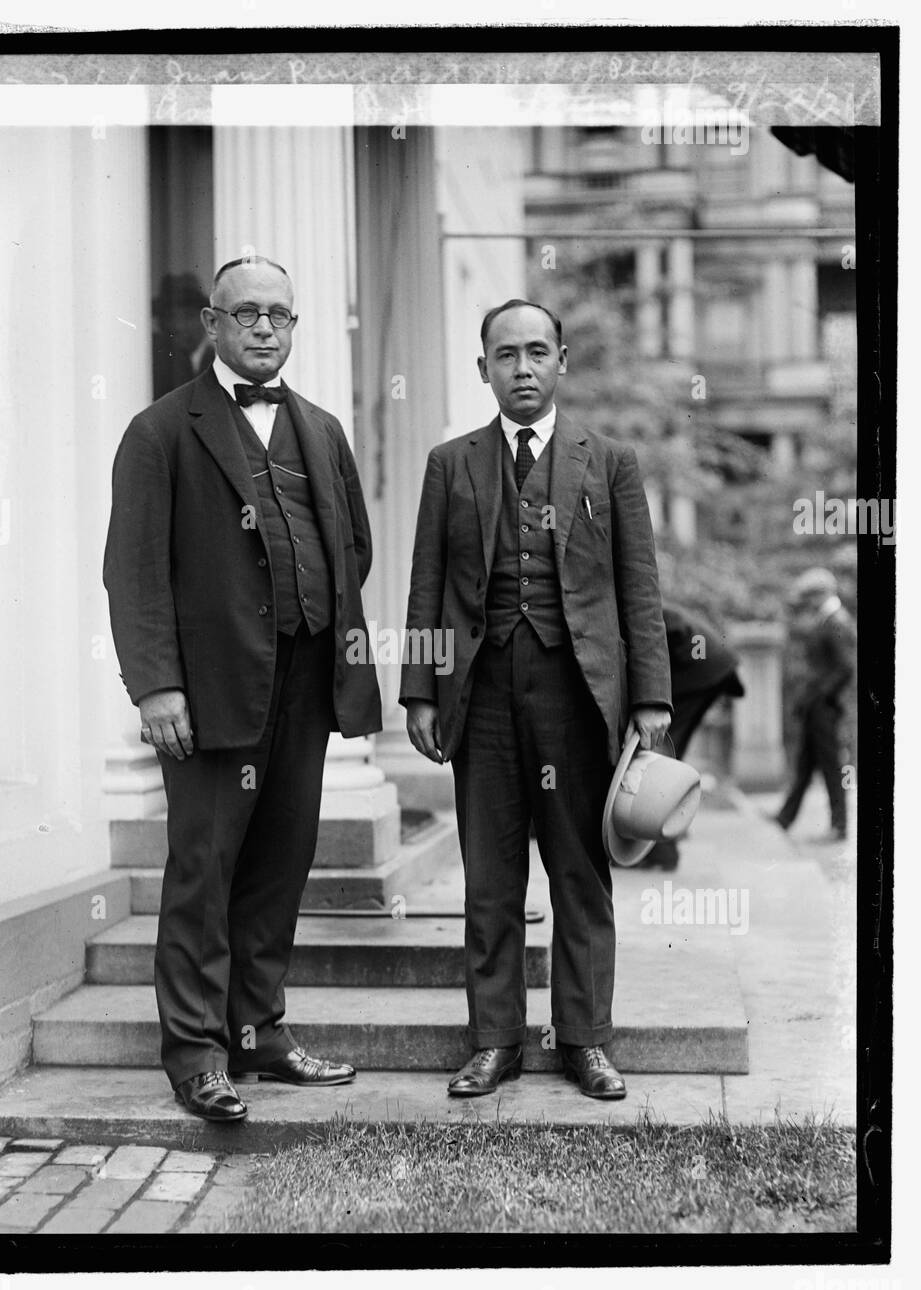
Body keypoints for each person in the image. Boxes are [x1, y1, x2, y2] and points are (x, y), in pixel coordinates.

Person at [104, 255, 382, 1121]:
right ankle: (195, 1054)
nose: (265, 328)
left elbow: (355, 550)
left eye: (281, 316)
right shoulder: (160, 432)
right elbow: (133, 572)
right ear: (211, 323)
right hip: (211, 691)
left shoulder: (322, 429)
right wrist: (158, 688)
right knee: (204, 870)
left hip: (303, 683)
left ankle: (259, 1033)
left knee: (278, 864)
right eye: (247, 313)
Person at [400, 298, 672, 1101]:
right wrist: (419, 690)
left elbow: (639, 590)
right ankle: (495, 1042)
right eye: (505, 355)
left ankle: (585, 1040)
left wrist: (649, 700)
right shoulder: (451, 463)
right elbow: (425, 588)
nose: (522, 368)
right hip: (480, 693)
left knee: (579, 872)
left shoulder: (609, 461)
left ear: (561, 363)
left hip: (577, 694)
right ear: (481, 368)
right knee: (489, 876)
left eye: (536, 353)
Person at [636, 604, 745, 870]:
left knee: (660, 756)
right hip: (709, 671)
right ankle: (666, 838)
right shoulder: (648, 606)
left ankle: (663, 850)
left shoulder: (638, 609)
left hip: (700, 672)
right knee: (668, 754)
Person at [773, 567, 855, 842]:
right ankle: (785, 817)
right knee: (805, 764)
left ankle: (840, 825)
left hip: (826, 707)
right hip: (816, 705)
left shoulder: (837, 622)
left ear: (821, 594)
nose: (807, 603)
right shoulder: (825, 620)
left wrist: (822, 695)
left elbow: (845, 668)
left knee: (831, 766)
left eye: (810, 597)